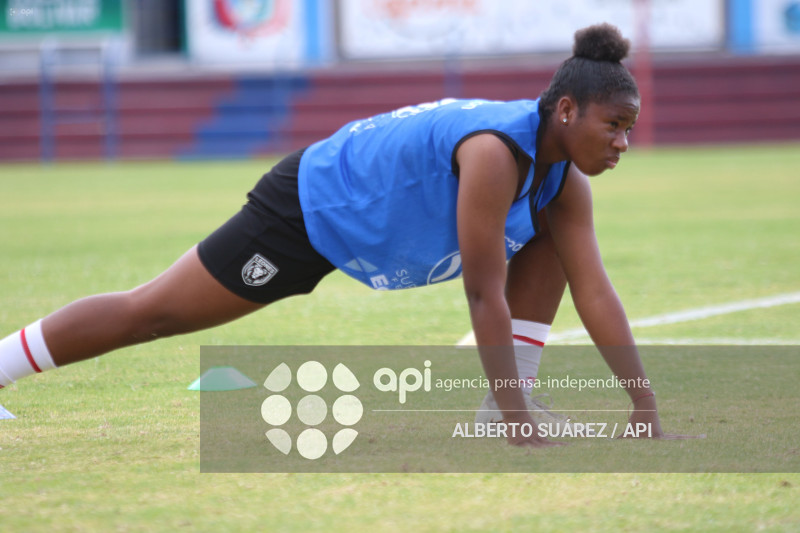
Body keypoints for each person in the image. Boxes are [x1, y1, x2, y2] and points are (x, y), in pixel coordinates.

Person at [0, 23, 686, 446]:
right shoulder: (493, 154)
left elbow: (595, 289)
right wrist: (520, 428)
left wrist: (644, 402)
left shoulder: (563, 182)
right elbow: (484, 296)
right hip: (311, 207)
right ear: (565, 110)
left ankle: (509, 395)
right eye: (613, 124)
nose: (625, 140)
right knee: (152, 313)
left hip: (370, 223)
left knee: (549, 237)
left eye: (630, 126)